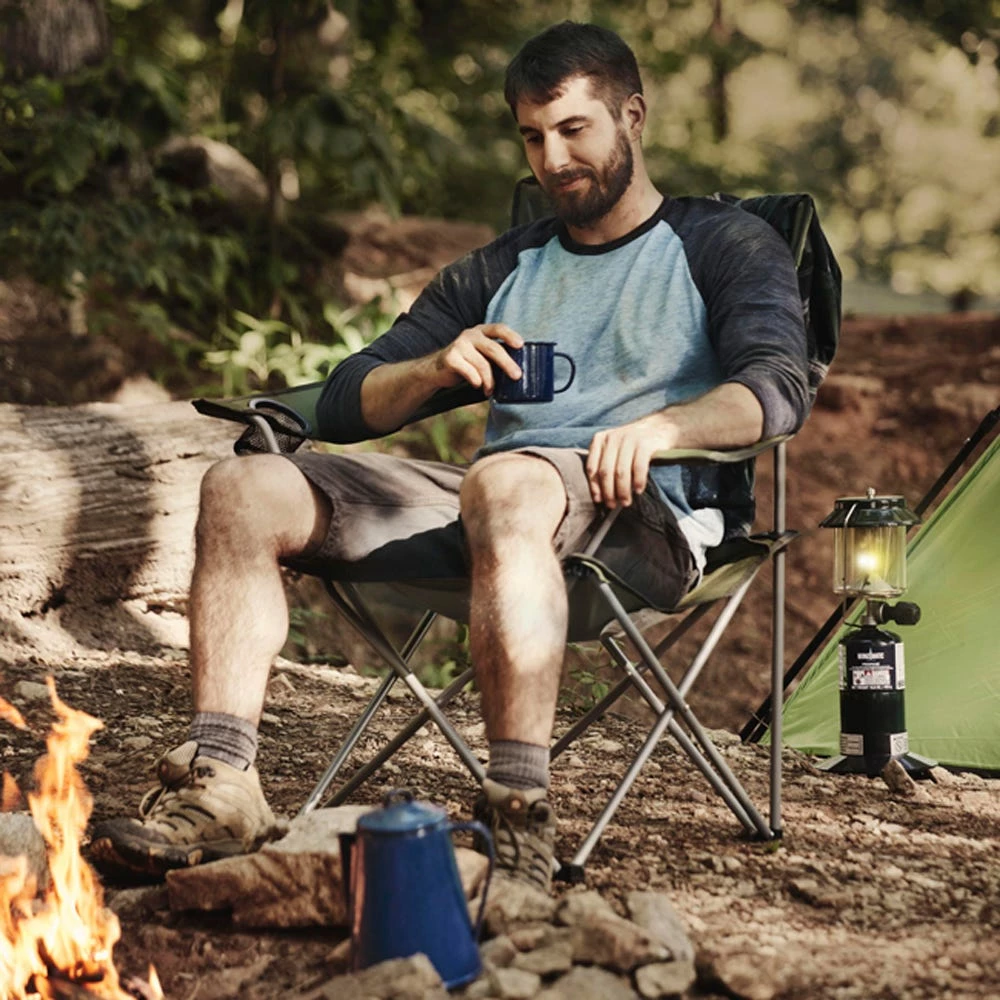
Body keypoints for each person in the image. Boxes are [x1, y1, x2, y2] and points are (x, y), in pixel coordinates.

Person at [91, 21, 808, 891]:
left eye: (574, 128)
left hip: (641, 520)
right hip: (496, 512)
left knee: (505, 482)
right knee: (243, 485)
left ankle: (516, 819)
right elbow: (352, 397)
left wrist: (663, 428)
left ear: (633, 115)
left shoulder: (723, 244)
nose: (553, 160)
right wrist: (435, 367)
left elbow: (777, 388)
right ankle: (221, 787)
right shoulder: (503, 268)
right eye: (532, 137)